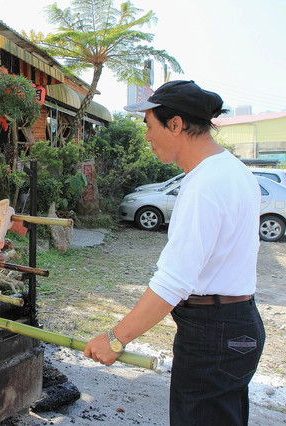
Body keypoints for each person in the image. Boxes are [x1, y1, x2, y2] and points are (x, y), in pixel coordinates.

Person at [84, 80, 265, 425]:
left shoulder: (204, 186)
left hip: (213, 333)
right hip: (239, 322)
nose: (148, 138)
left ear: (177, 124)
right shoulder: (236, 172)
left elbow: (173, 282)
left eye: (150, 127)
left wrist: (115, 339)